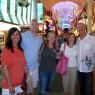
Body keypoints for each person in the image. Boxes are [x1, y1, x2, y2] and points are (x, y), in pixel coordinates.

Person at [1, 27, 29, 95]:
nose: (15, 36)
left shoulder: (20, 50)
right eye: (13, 34)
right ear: (10, 37)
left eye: (17, 34)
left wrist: (28, 76)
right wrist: (10, 85)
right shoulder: (7, 50)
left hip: (18, 84)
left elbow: (24, 65)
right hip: (9, 86)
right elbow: (4, 68)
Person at [21, 19, 42, 95]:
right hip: (25, 67)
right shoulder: (23, 36)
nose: (34, 26)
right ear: (29, 26)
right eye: (33, 24)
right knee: (25, 88)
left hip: (35, 66)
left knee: (33, 86)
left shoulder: (40, 39)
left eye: (36, 24)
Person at [77, 23, 95, 95]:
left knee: (89, 90)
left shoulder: (92, 39)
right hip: (79, 69)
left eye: (82, 27)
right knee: (81, 89)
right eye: (78, 27)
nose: (80, 28)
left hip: (88, 69)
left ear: (85, 28)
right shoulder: (77, 40)